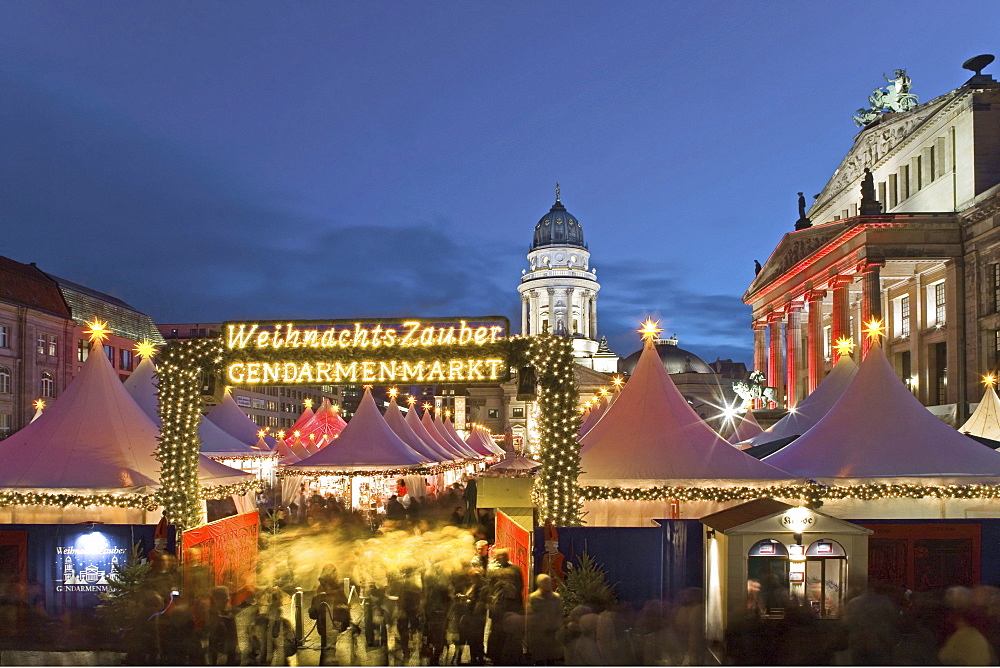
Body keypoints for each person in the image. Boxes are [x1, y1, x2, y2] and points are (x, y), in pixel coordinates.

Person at [526, 574, 563, 665]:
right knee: (540, 660)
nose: (548, 585)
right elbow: (530, 616)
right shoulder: (533, 598)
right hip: (539, 635)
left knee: (551, 660)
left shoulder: (556, 598)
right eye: (545, 583)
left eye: (549, 582)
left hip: (553, 635)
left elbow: (559, 614)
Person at [205, 586, 239, 665]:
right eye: (226, 597)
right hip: (222, 651)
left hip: (225, 651)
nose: (228, 599)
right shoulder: (214, 614)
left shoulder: (225, 613)